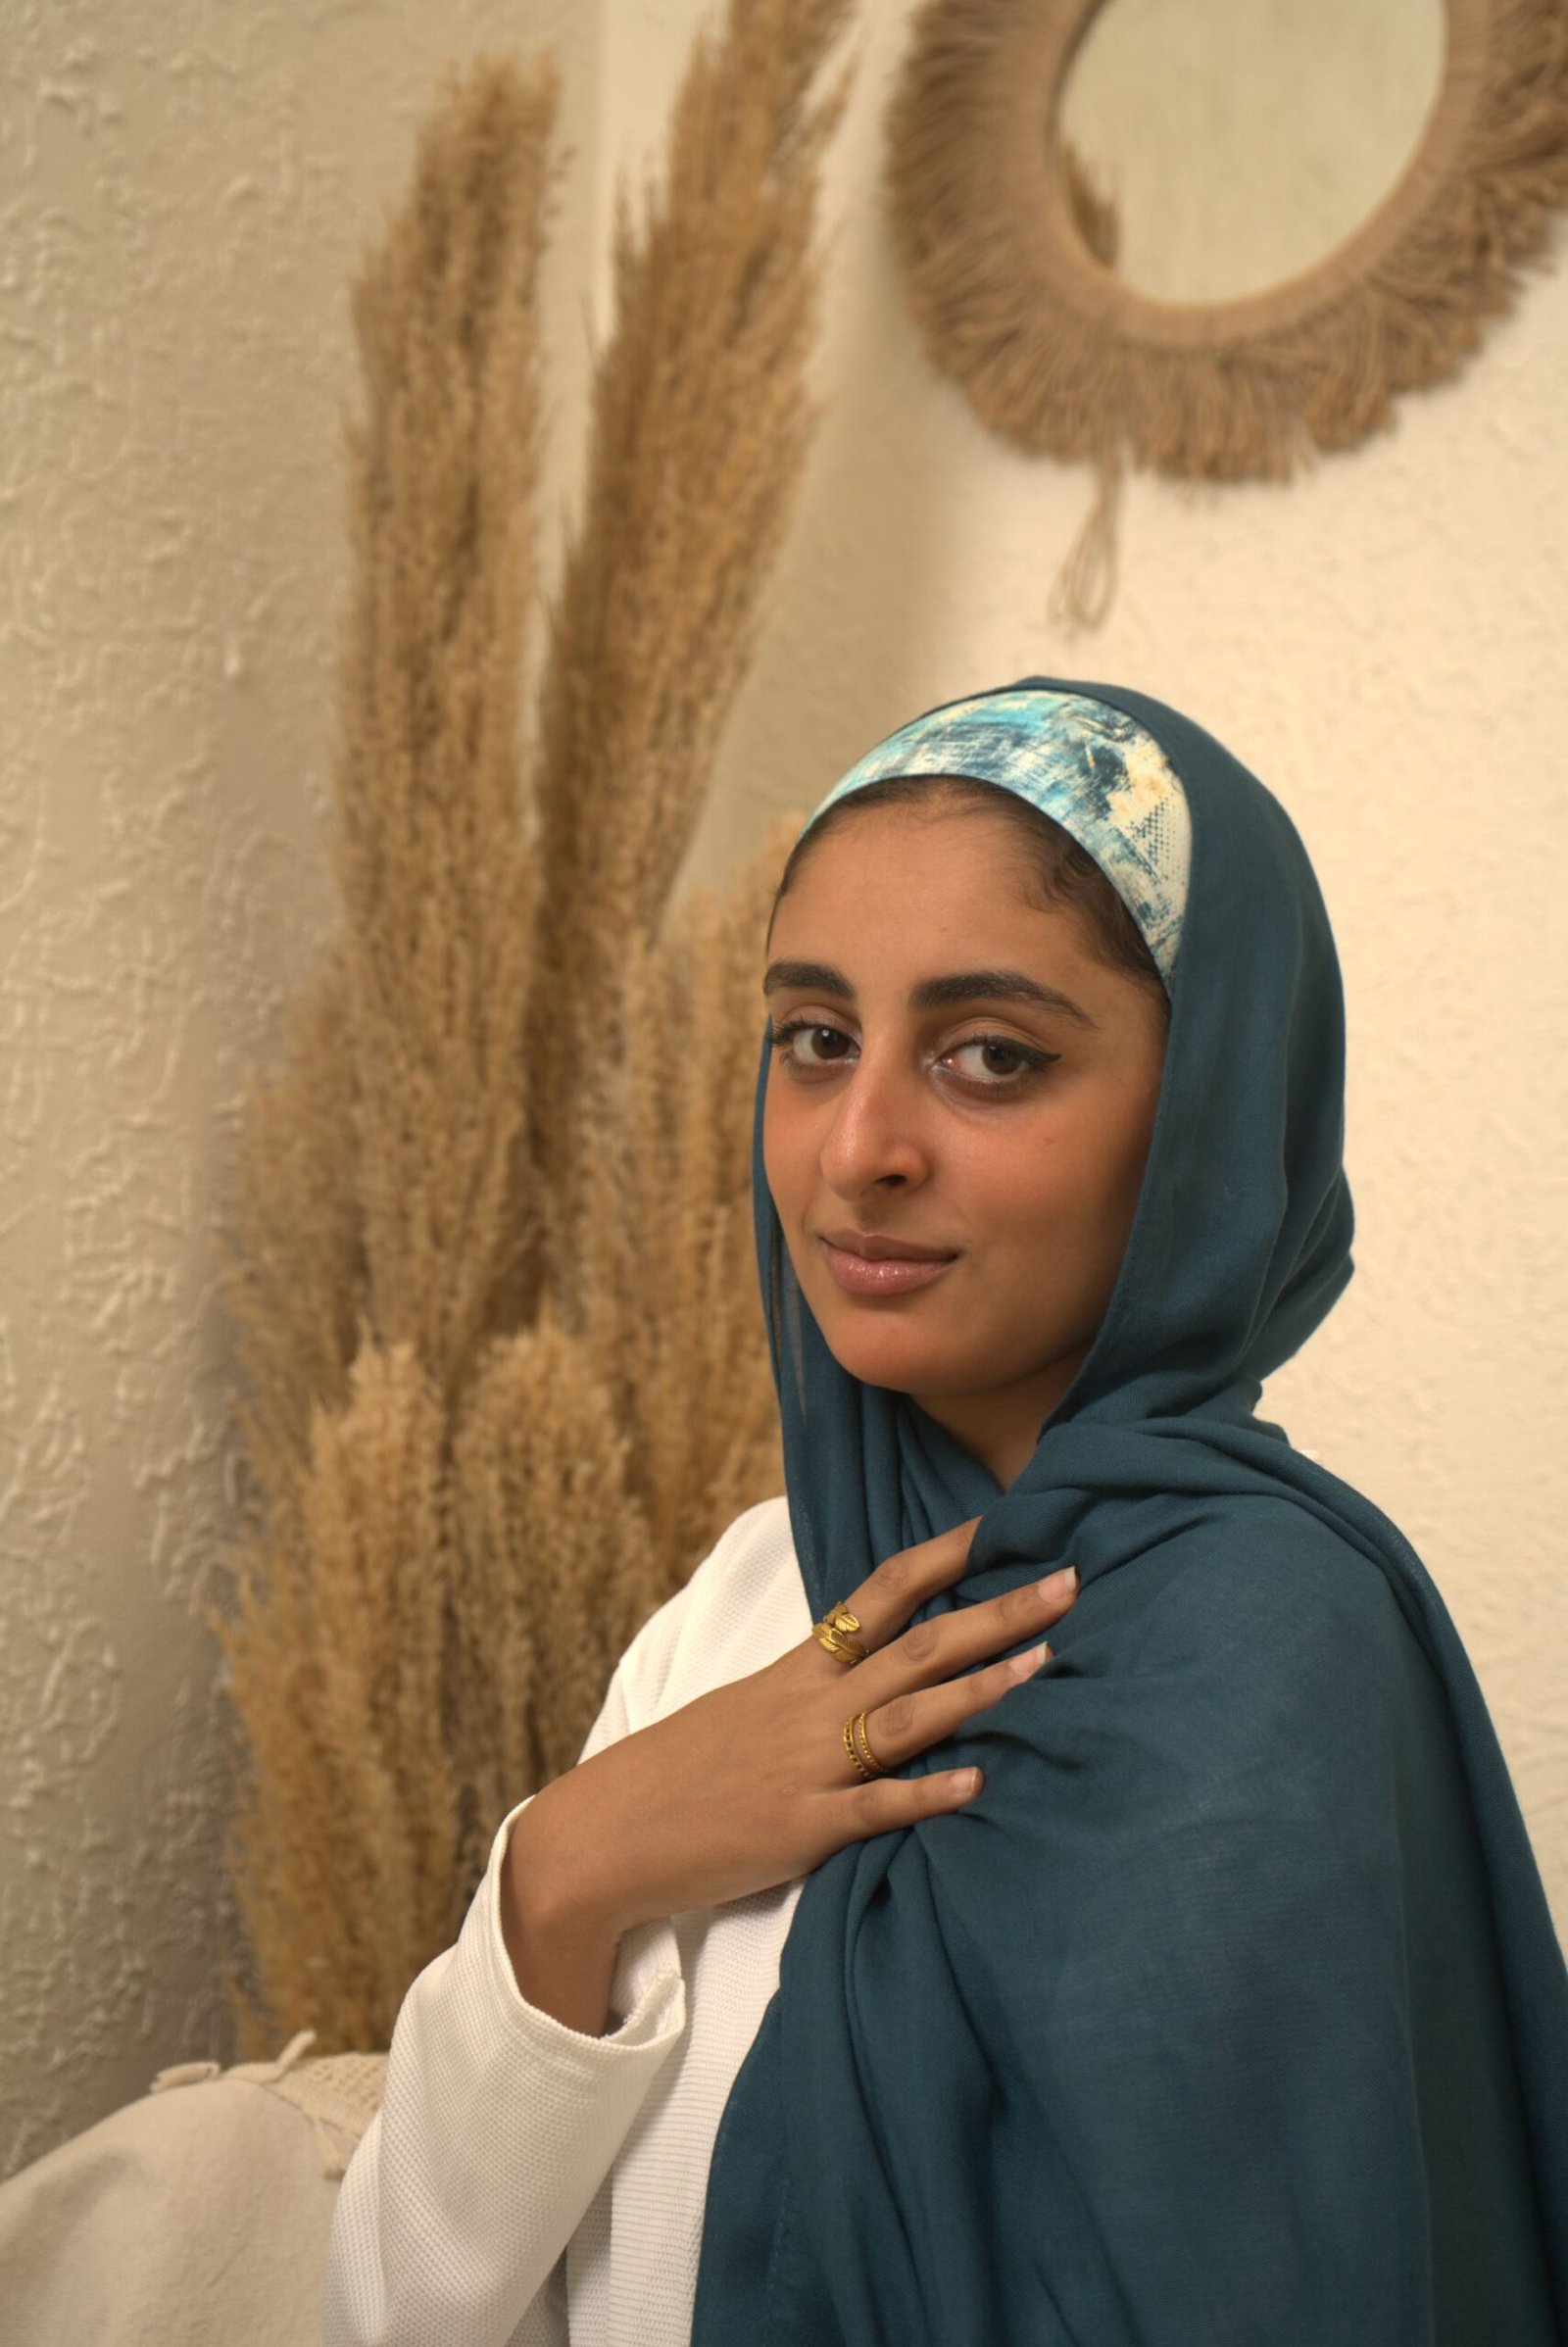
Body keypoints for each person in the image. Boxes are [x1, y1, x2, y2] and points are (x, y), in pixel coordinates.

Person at [320, 678, 1568, 2346]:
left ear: (1208, 1118)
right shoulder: (745, 1608)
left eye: (992, 1057)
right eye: (815, 1039)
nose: (860, 1149)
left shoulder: (1272, 1646)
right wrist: (566, 1870)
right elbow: (394, 2313)